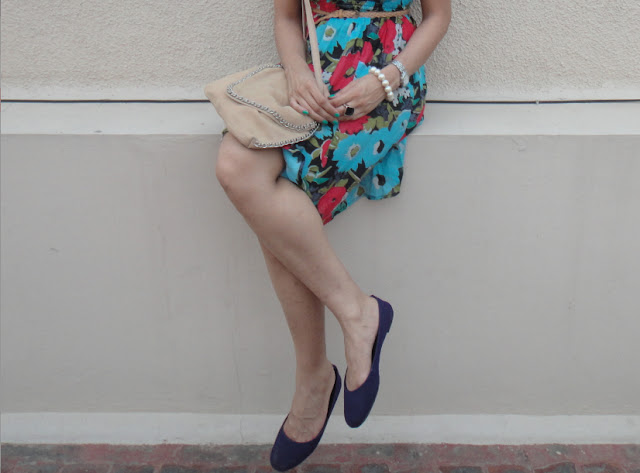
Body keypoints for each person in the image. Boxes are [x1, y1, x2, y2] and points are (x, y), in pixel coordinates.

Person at [215, 0, 450, 470]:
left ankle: (313, 380)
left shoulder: (387, 79)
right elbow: (286, 16)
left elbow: (438, 16)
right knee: (235, 165)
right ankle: (357, 313)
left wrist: (387, 79)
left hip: (383, 84)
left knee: (278, 198)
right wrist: (296, 70)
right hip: (315, 85)